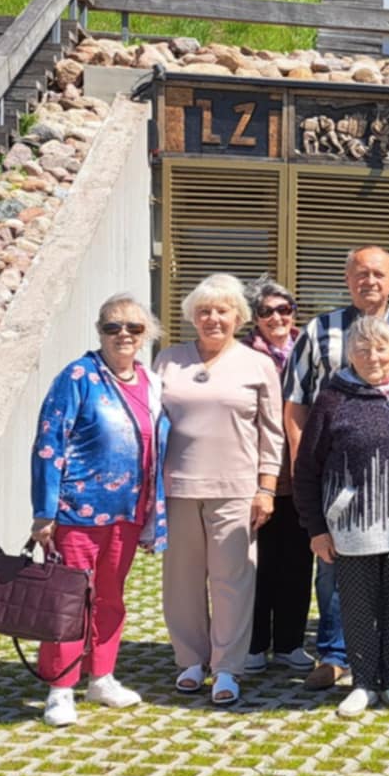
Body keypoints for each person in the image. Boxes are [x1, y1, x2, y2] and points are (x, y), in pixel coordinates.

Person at [284, 245, 389, 691]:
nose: (370, 281)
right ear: (347, 279)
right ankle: (336, 654)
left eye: (379, 274)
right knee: (335, 570)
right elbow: (297, 404)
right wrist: (307, 467)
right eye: (361, 273)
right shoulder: (319, 331)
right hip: (339, 484)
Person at [29, 294, 167, 727]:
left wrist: (154, 514)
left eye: (134, 327)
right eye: (113, 326)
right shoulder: (78, 376)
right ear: (100, 331)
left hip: (128, 511)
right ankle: (60, 688)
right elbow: (49, 442)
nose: (124, 334)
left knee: (110, 598)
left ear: (146, 335)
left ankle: (101, 676)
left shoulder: (150, 382)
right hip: (76, 513)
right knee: (69, 601)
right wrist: (44, 511)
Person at [156, 274, 284, 707]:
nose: (213, 318)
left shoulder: (257, 364)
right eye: (204, 311)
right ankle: (190, 660)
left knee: (232, 580)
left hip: (236, 489)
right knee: (181, 581)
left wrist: (267, 487)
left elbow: (272, 431)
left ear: (238, 316)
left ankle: (228, 666)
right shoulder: (168, 361)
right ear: (192, 316)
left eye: (222, 311)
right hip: (177, 488)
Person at [241, 277, 312, 674]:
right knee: (258, 563)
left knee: (298, 562)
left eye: (284, 310)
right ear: (254, 317)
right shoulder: (242, 355)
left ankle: (289, 642)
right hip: (257, 474)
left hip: (300, 470)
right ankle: (254, 643)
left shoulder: (308, 349)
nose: (276, 318)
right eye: (266, 311)